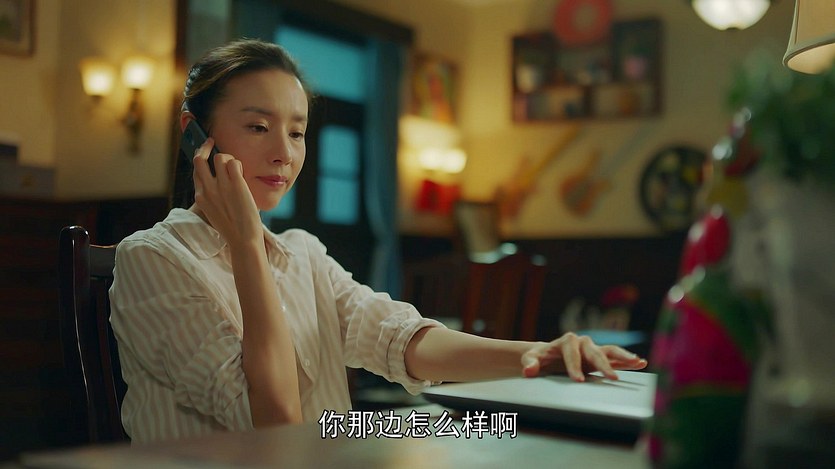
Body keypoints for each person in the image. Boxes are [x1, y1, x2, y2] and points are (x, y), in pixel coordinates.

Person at [109, 38, 647, 444]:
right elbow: (275, 425)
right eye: (257, 127)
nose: (284, 154)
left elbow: (399, 339)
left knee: (488, 430)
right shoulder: (150, 258)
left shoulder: (302, 252)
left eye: (296, 132)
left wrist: (536, 355)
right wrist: (247, 243)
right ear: (195, 135)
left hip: (337, 443)